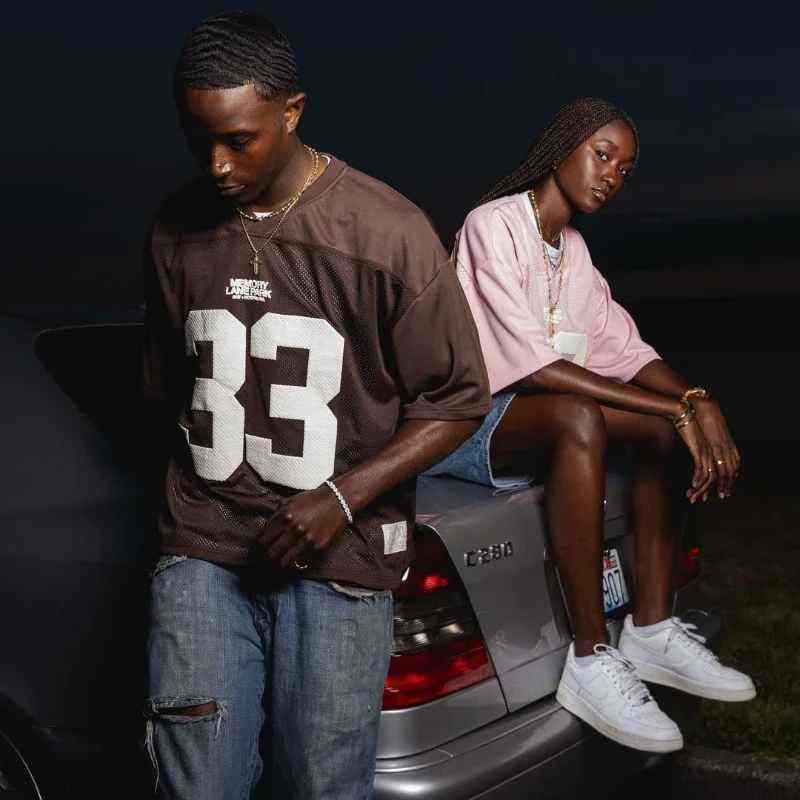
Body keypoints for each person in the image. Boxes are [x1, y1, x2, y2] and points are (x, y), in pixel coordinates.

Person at [140, 11, 489, 798]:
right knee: (198, 786)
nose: (217, 164)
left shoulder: (388, 232)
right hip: (204, 551)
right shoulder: (174, 231)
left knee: (321, 787)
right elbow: (165, 393)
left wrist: (342, 496)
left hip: (339, 561)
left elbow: (459, 400)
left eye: (239, 140)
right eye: (199, 139)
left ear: (292, 112)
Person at [425, 97, 755, 753]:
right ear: (564, 146)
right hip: (459, 424)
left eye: (624, 170)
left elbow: (625, 350)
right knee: (589, 415)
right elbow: (535, 368)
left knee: (657, 432)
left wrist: (695, 399)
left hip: (530, 418)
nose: (611, 176)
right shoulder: (493, 224)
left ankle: (651, 630)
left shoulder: (571, 251)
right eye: (602, 155)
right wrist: (671, 406)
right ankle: (589, 656)